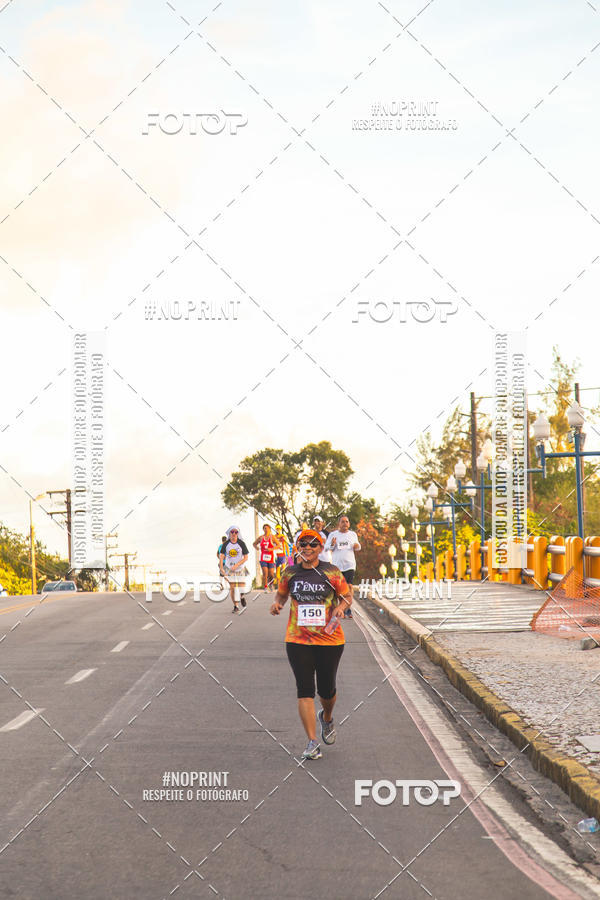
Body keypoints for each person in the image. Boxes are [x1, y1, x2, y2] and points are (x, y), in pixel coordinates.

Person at [269, 528, 352, 760]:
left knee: (327, 690)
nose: (307, 548)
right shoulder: (289, 573)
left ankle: (326, 717)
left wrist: (340, 607)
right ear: (297, 547)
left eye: (313, 544)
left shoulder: (331, 572)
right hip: (298, 639)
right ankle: (312, 742)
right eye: (302, 544)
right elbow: (282, 594)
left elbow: (347, 596)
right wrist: (277, 604)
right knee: (304, 690)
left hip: (330, 639)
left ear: (321, 548)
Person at [324, 516, 361, 619]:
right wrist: (332, 544)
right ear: (339, 524)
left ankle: (348, 609)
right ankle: (341, 608)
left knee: (349, 587)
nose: (345, 523)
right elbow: (327, 547)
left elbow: (358, 546)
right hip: (337, 566)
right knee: (339, 589)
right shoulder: (333, 535)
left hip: (349, 565)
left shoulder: (352, 534)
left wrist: (356, 546)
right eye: (343, 522)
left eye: (347, 521)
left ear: (349, 524)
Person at [219, 526, 249, 613]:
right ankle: (236, 606)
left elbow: (246, 557)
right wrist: (222, 568)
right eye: (232, 532)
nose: (234, 534)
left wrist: (237, 565)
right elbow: (221, 557)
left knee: (241, 586)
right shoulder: (226, 544)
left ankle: (242, 596)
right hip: (228, 568)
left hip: (240, 568)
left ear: (238, 533)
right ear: (229, 533)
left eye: (236, 532)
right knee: (232, 587)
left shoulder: (241, 543)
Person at [253, 524, 277, 590]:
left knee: (271, 574)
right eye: (264, 528)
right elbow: (254, 543)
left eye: (267, 528)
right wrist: (257, 548)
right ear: (263, 529)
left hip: (271, 558)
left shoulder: (272, 537)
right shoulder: (261, 537)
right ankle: (265, 587)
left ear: (270, 529)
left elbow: (278, 545)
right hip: (263, 558)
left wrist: (271, 549)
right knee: (265, 573)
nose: (266, 530)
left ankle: (271, 585)